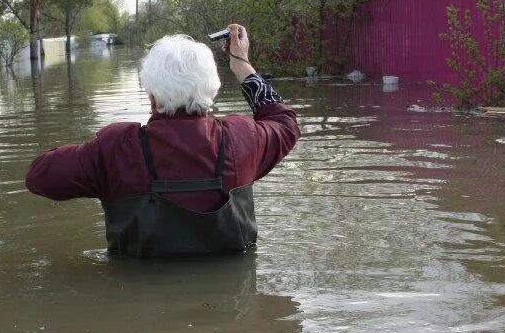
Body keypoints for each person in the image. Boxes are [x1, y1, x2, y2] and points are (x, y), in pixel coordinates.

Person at [25, 24, 300, 257]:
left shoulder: (116, 147)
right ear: (211, 91)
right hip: (233, 308)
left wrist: (94, 154)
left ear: (151, 96)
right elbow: (285, 122)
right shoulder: (244, 138)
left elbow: (39, 177)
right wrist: (241, 63)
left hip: (137, 308)